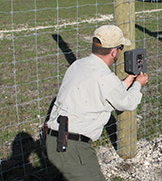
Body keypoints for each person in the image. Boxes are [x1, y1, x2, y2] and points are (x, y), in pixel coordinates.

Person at [46, 25, 149, 181]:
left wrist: (126, 83)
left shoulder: (78, 65)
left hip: (53, 140)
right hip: (73, 146)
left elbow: (101, 93)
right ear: (114, 51)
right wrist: (138, 84)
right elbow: (127, 103)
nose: (120, 51)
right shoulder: (105, 77)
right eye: (120, 47)